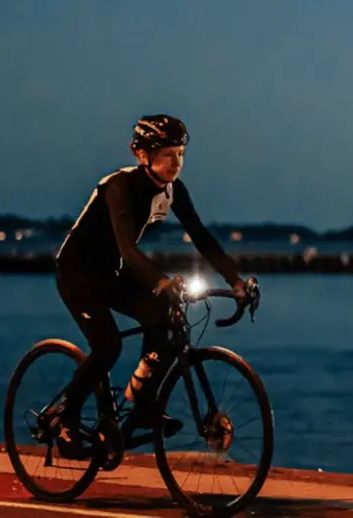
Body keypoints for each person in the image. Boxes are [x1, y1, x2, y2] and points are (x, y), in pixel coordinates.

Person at [52, 114, 254, 459]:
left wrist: (235, 280)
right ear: (141, 154)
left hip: (113, 271)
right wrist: (160, 280)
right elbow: (129, 250)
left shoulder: (173, 189)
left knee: (165, 320)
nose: (176, 163)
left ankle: (141, 402)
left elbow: (201, 237)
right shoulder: (119, 186)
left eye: (181, 154)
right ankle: (65, 418)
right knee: (108, 347)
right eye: (167, 154)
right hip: (78, 273)